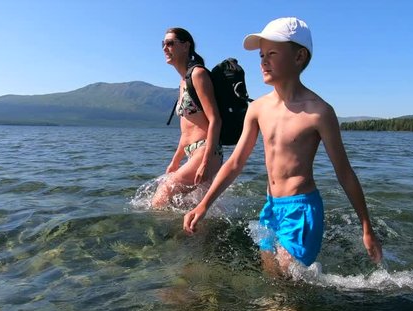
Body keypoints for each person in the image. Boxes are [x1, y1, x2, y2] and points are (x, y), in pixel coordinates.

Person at [183, 17, 382, 275]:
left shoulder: (318, 112)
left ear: (299, 57)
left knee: (286, 288)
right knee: (271, 276)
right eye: (262, 54)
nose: (263, 61)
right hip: (271, 207)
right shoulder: (257, 108)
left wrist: (366, 227)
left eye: (272, 53)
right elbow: (234, 163)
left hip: (301, 210)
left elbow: (344, 172)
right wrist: (204, 204)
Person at [151, 28, 223, 209]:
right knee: (193, 208)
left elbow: (215, 119)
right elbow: (186, 131)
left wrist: (205, 162)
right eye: (163, 44)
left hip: (206, 151)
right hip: (194, 153)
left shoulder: (198, 74)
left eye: (170, 43)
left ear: (185, 46)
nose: (165, 48)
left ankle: (158, 237)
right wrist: (175, 162)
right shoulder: (183, 82)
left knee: (161, 197)